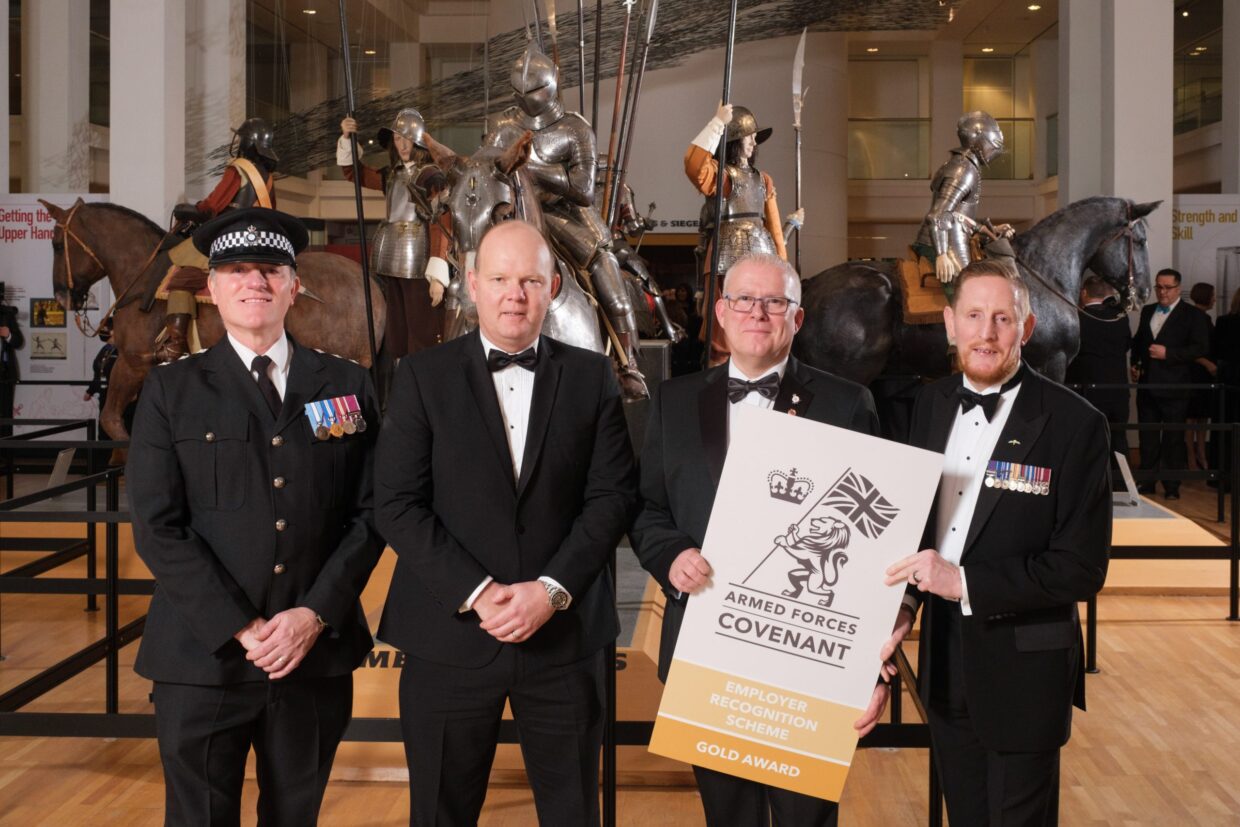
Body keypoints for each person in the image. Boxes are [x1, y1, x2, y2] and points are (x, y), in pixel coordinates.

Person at [374, 219, 637, 826]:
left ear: (553, 288)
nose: (514, 294)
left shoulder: (594, 377)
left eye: (529, 280)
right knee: (440, 813)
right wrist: (479, 593)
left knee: (574, 812)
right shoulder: (421, 377)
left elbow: (611, 497)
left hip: (565, 641)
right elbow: (396, 503)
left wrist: (550, 592)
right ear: (472, 284)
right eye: (499, 279)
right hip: (451, 636)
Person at [127, 208, 384, 825]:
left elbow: (372, 513)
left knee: (295, 815)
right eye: (236, 270)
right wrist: (243, 627)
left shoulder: (348, 386)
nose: (255, 282)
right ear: (211, 289)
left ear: (295, 286)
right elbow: (159, 528)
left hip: (312, 654)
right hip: (202, 657)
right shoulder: (171, 392)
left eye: (271, 270)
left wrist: (312, 615)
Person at [629, 252, 887, 827]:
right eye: (744, 299)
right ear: (721, 312)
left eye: (775, 302)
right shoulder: (672, 402)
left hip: (809, 660)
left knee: (806, 820)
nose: (758, 313)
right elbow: (647, 512)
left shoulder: (848, 406)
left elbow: (873, 547)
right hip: (706, 647)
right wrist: (671, 557)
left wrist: (869, 669)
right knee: (728, 817)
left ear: (797, 320)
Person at [884, 260, 1111, 826]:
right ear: (949, 323)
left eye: (1003, 319)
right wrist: (906, 607)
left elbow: (1080, 569)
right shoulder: (929, 406)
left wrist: (961, 582)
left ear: (1026, 330)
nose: (986, 333)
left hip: (1024, 675)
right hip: (943, 665)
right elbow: (919, 532)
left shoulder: (1075, 424)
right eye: (974, 316)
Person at [485, 47, 648, 399]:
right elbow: (489, 170)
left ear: (550, 87)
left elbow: (583, 190)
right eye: (519, 94)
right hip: (514, 214)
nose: (524, 100)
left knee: (612, 285)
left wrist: (529, 166)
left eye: (531, 92)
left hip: (567, 214)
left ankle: (627, 364)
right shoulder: (502, 127)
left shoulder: (575, 129)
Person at [685, 102, 802, 363]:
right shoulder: (722, 176)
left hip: (762, 254)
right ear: (735, 140)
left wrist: (785, 270)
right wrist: (716, 124)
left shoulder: (764, 179)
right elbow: (695, 168)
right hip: (727, 256)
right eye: (749, 137)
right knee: (723, 331)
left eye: (754, 138)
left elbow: (772, 226)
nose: (753, 143)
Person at [157, 117, 281, 362]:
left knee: (181, 279)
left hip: (229, 238)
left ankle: (174, 343)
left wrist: (192, 210)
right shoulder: (267, 177)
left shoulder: (239, 168)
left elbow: (213, 206)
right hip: (256, 241)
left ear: (247, 142)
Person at [338, 109, 453, 358]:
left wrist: (436, 274)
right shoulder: (391, 175)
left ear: (418, 141)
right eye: (397, 139)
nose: (401, 144)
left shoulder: (430, 175)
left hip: (419, 261)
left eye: (407, 138)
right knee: (397, 334)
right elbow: (353, 173)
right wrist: (347, 138)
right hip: (391, 259)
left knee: (421, 333)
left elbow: (441, 219)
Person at [913, 111, 1013, 300]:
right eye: (993, 145)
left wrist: (989, 228)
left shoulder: (962, 164)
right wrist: (942, 254)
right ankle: (952, 330)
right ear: (979, 140)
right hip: (943, 241)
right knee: (968, 293)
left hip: (952, 234)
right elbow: (938, 215)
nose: (994, 151)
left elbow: (958, 215)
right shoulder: (963, 169)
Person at [1131, 268, 1211, 499]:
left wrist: (1169, 353)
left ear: (1178, 289)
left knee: (1174, 439)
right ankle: (1147, 483)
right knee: (1148, 437)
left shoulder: (1193, 315)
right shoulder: (1147, 312)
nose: (1162, 292)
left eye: (1167, 287)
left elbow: (1201, 348)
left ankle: (1172, 486)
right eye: (1159, 287)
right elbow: (1139, 343)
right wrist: (1135, 364)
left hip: (1176, 387)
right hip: (1147, 387)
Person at [1065, 275, 1132, 472]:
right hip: (1119, 390)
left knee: (1089, 440)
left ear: (1083, 293)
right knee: (1119, 438)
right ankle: (1121, 484)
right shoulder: (1120, 318)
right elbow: (1127, 344)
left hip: (1088, 389)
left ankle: (1093, 486)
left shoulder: (1078, 319)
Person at [1186, 281, 1217, 472]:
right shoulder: (1196, 317)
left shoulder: (1204, 317)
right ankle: (1193, 458)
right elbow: (1191, 349)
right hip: (1195, 373)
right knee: (1192, 418)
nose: (1214, 299)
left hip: (1203, 375)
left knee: (1200, 417)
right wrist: (1208, 364)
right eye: (1212, 295)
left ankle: (1200, 455)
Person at [0, 283, 23, 438]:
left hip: (4, 374)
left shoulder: (6, 315)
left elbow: (18, 341)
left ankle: (4, 457)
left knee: (4, 417)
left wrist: (8, 335)